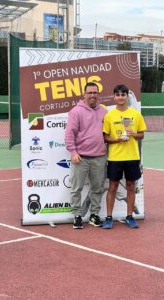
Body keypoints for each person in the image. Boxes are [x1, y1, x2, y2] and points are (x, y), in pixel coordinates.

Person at [102, 84, 147, 229]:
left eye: (123, 95)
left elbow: (142, 134)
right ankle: (108, 217)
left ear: (127, 96)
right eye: (118, 95)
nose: (120, 97)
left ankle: (129, 216)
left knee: (130, 186)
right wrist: (117, 140)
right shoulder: (109, 116)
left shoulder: (135, 114)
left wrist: (134, 134)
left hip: (132, 156)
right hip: (115, 157)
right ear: (114, 97)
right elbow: (106, 138)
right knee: (113, 186)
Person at [65, 82, 107, 229]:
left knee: (97, 188)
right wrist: (73, 152)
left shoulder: (104, 112)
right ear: (84, 94)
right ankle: (77, 215)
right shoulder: (76, 111)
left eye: (95, 92)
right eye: (89, 92)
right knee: (76, 188)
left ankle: (94, 215)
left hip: (100, 157)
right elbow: (69, 134)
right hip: (80, 157)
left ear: (98, 94)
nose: (92, 95)